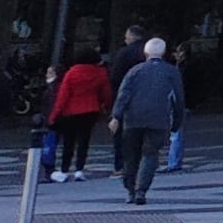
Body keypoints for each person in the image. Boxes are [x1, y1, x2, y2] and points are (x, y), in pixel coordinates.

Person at [109, 37, 187, 204]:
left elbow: (124, 95)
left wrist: (116, 116)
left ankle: (130, 189)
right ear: (164, 53)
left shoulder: (135, 71)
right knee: (150, 153)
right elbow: (178, 99)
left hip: (133, 118)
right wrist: (177, 122)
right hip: (159, 118)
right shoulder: (172, 72)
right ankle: (141, 190)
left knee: (131, 154)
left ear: (145, 52)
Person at [49, 46, 111, 181]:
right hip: (91, 109)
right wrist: (106, 107)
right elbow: (105, 93)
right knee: (84, 140)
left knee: (68, 142)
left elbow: (63, 96)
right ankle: (79, 169)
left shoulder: (72, 73)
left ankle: (65, 169)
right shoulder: (100, 73)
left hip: (71, 111)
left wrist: (54, 115)